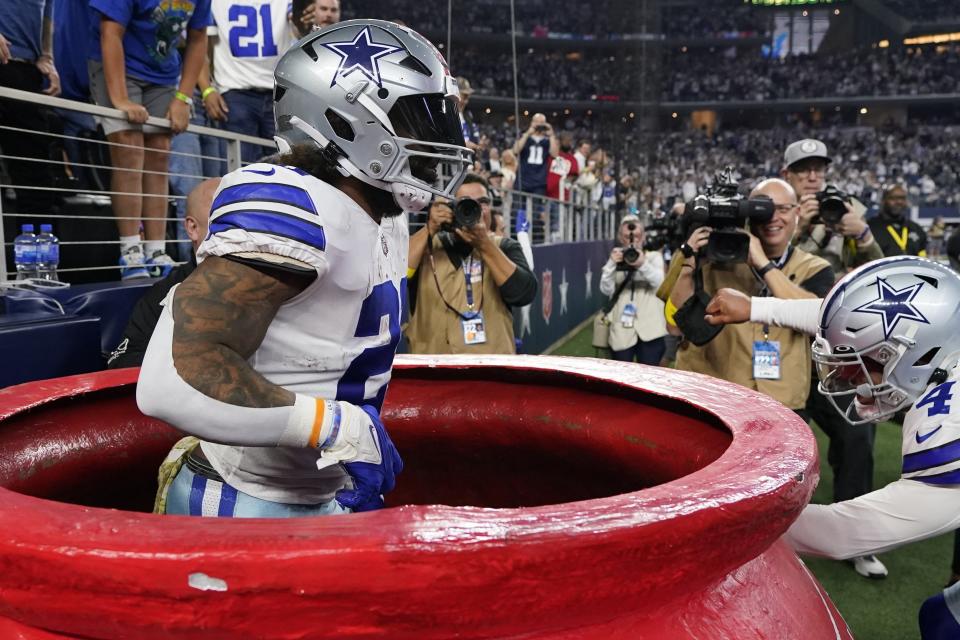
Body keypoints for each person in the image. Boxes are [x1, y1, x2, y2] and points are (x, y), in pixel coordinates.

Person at [137, 19, 473, 517]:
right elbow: (171, 384)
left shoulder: (386, 213)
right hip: (242, 500)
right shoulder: (298, 206)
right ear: (348, 118)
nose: (439, 138)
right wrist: (335, 427)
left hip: (319, 495)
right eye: (419, 120)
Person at [702, 256, 960, 638]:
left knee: (946, 623)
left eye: (868, 362)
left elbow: (845, 533)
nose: (854, 379)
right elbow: (839, 315)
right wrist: (757, 307)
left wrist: (728, 523)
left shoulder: (947, 416)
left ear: (918, 354)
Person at [782, 138, 888, 578]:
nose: (812, 176)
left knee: (857, 437)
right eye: (803, 168)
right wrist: (798, 228)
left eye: (818, 168)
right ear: (787, 173)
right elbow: (762, 265)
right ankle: (773, 533)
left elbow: (882, 273)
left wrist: (861, 234)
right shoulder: (773, 206)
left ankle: (853, 540)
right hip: (783, 346)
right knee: (780, 448)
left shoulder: (847, 208)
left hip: (834, 352)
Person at [670, 178, 834, 412]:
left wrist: (763, 263)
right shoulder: (713, 255)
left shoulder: (815, 267)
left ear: (797, 213)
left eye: (783, 209)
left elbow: (817, 319)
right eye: (764, 209)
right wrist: (689, 262)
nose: (773, 218)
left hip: (783, 401)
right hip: (719, 398)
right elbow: (674, 326)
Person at [88, 0, 210, 279]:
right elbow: (110, 32)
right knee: (129, 150)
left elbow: (198, 37)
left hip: (162, 73)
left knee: (160, 153)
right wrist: (120, 99)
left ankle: (156, 249)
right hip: (119, 64)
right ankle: (130, 249)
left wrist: (183, 97)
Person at [406, 174, 537, 354]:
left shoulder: (504, 246)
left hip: (488, 373)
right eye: (465, 203)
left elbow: (524, 293)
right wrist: (429, 227)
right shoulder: (427, 246)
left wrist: (484, 245)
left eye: (483, 202)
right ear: (450, 208)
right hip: (433, 372)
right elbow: (398, 275)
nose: (476, 209)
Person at [107, 178, 218, 369]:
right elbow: (122, 363)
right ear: (193, 228)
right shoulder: (164, 294)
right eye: (225, 219)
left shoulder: (273, 280)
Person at [203, 0, 297, 163]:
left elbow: (298, 28)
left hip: (278, 93)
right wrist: (207, 90)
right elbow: (200, 46)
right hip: (235, 92)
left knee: (286, 164)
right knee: (240, 165)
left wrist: (302, 20)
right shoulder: (214, 3)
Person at [0, 0, 61, 216]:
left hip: (25, 71)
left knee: (36, 176)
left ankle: (36, 248)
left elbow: (46, 14)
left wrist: (47, 55)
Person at [599, 215, 666, 365]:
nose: (631, 239)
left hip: (651, 328)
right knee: (621, 378)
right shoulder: (616, 258)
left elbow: (660, 282)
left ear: (643, 236)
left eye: (636, 235)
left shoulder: (653, 257)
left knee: (650, 378)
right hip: (621, 329)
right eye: (626, 236)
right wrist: (611, 265)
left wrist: (642, 264)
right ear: (620, 238)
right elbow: (605, 289)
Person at [868, 184, 927, 258]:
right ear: (883, 200)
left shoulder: (917, 229)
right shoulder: (870, 228)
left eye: (902, 198)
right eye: (893, 198)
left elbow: (923, 260)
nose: (899, 202)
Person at [513, 112, 558, 197]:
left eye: (542, 122)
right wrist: (527, 134)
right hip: (523, 179)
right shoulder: (525, 137)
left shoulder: (548, 141)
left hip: (539, 181)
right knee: (519, 209)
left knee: (536, 209)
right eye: (536, 121)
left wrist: (551, 135)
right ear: (532, 122)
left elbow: (554, 154)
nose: (539, 124)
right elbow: (515, 151)